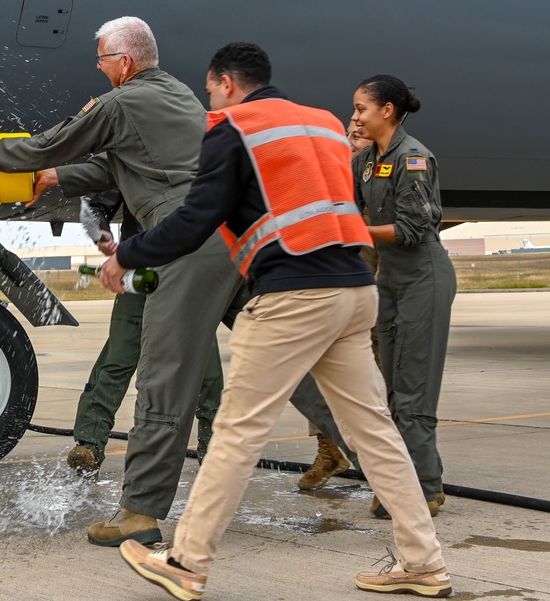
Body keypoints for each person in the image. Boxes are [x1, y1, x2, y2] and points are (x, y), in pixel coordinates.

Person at [0, 17, 350, 547]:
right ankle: (358, 442)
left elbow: (57, 143)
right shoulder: (174, 95)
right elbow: (120, 166)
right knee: (278, 350)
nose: (98, 68)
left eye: (102, 59)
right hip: (237, 239)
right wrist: (57, 179)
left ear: (123, 62)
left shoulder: (121, 102)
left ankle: (140, 514)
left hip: (185, 242)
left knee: (163, 375)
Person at [110, 42, 451, 599]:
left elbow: (196, 217)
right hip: (354, 289)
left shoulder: (234, 129)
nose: (209, 98)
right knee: (376, 434)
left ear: (225, 83)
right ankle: (424, 561)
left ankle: (187, 559)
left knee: (237, 432)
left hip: (295, 296)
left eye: (210, 88)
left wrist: (127, 255)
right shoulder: (319, 123)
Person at [351, 75, 456, 520]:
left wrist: (351, 230)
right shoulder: (369, 161)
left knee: (413, 391)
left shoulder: (413, 158)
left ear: (387, 111)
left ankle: (425, 489)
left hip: (422, 280)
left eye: (362, 109)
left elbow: (414, 230)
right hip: (389, 281)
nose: (355, 117)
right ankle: (406, 482)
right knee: (390, 391)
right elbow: (354, 207)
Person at [67, 190, 224, 475]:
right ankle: (89, 445)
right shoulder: (134, 152)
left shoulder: (200, 150)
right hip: (139, 272)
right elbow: (92, 205)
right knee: (118, 358)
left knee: (205, 368)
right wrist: (102, 236)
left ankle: (215, 453)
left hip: (189, 271)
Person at [296, 119, 375, 491]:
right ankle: (330, 450)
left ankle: (396, 472)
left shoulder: (380, 176)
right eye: (348, 132)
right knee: (319, 367)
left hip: (371, 288)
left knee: (371, 383)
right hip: (336, 281)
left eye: (359, 133)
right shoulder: (339, 173)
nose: (352, 137)